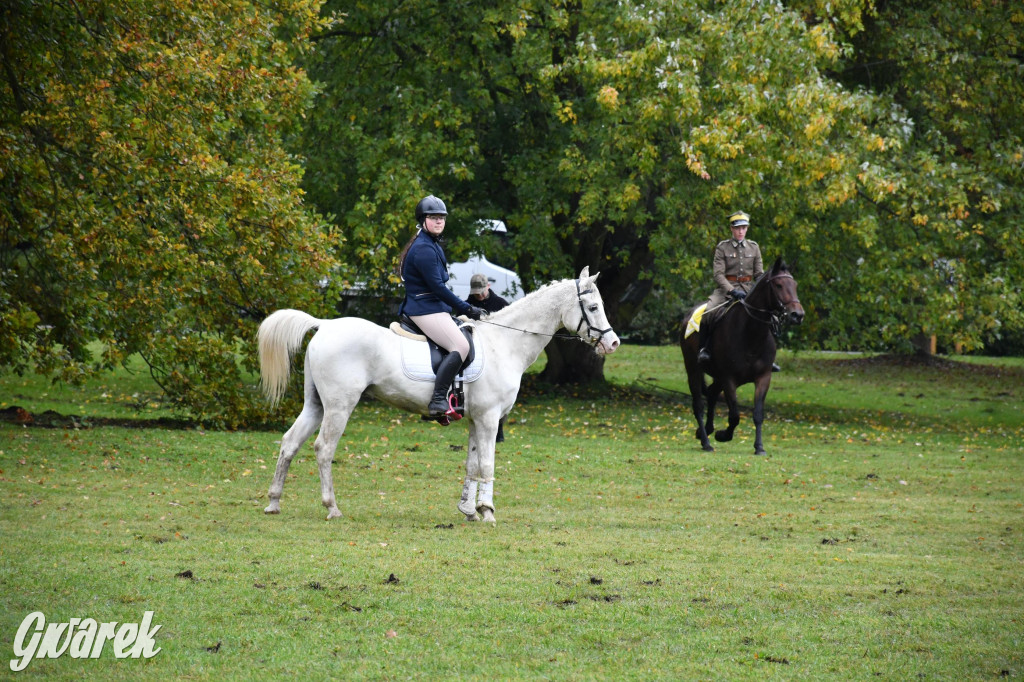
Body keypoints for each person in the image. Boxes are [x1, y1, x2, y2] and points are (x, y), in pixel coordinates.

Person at [399, 195, 486, 417]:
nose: (439, 221)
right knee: (461, 346)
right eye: (433, 217)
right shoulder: (424, 249)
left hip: (432, 306)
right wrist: (467, 308)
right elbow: (438, 288)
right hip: (424, 308)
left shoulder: (431, 243)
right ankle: (437, 400)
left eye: (442, 218)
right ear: (423, 220)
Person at [697, 211, 777, 371]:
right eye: (737, 228)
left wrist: (762, 289)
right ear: (732, 229)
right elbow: (718, 274)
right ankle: (704, 349)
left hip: (749, 290)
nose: (741, 231)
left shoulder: (754, 247)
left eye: (744, 228)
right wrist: (732, 291)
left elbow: (759, 274)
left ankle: (769, 357)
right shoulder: (722, 247)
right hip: (726, 290)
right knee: (708, 312)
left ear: (747, 229)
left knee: (772, 317)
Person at [463, 273, 510, 441]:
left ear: (488, 286)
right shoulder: (466, 306)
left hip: (498, 355)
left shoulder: (501, 305)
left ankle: (499, 429)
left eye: (481, 292)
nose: (479, 296)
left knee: (500, 393)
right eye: (476, 293)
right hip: (477, 355)